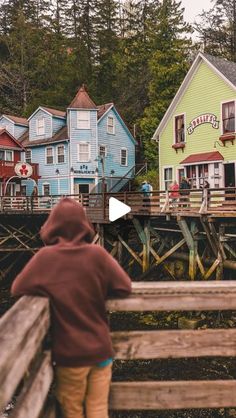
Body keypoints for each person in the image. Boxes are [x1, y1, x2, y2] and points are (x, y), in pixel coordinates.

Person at [11, 198, 132, 418]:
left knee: (72, 409)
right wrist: (96, 287)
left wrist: (50, 288)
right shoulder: (97, 254)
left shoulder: (45, 258)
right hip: (101, 351)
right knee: (97, 409)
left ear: (52, 226)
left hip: (69, 354)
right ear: (84, 225)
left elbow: (18, 288)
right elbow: (124, 287)